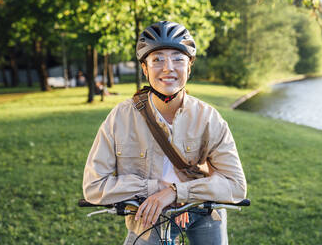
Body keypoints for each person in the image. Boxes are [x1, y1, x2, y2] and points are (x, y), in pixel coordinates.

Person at [83, 21, 247, 245]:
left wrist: (176, 192)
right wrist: (154, 189)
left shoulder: (208, 118)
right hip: (149, 214)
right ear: (145, 68)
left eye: (178, 58)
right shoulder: (120, 118)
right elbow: (93, 186)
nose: (168, 67)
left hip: (200, 206)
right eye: (157, 59)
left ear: (189, 67)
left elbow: (236, 185)